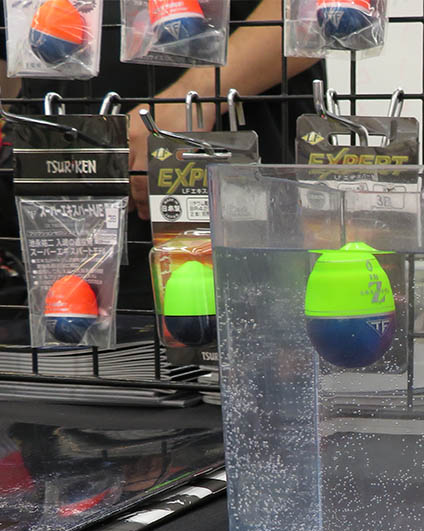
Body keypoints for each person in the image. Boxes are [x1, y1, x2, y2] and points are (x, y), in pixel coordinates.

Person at [0, 0, 322, 327]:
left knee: (243, 334)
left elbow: (317, 12)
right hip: (62, 239)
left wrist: (191, 98)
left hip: (240, 210)